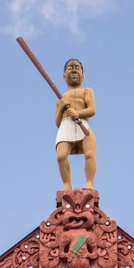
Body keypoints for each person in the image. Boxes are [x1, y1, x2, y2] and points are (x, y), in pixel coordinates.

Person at [54, 57, 96, 191]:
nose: (73, 70)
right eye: (70, 68)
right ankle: (67, 184)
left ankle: (89, 182)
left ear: (82, 76)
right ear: (64, 75)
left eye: (77, 68)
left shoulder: (86, 91)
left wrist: (78, 113)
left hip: (82, 123)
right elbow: (57, 122)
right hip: (65, 126)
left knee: (89, 154)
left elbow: (92, 110)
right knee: (61, 155)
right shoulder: (61, 97)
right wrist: (61, 107)